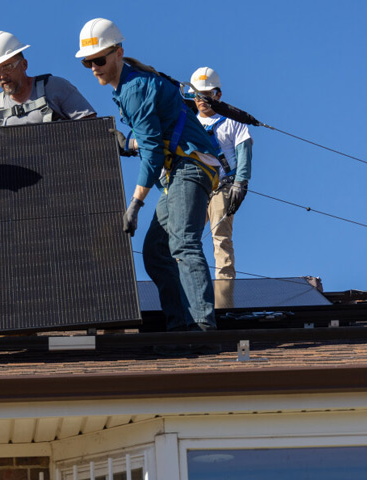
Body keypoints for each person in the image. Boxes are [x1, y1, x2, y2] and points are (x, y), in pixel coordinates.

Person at [75, 18, 221, 335]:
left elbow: (154, 152)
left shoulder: (134, 89)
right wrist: (127, 142)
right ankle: (180, 326)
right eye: (88, 62)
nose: (94, 67)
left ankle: (202, 328)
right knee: (156, 253)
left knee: (183, 244)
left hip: (190, 167)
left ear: (117, 53)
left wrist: (135, 204)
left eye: (99, 59)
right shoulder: (131, 88)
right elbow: (153, 134)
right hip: (181, 171)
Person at [190, 67, 253, 280]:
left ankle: (225, 290)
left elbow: (244, 152)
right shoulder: (188, 123)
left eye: (206, 95)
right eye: (197, 95)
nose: (201, 99)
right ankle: (188, 287)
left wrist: (241, 183)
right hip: (195, 186)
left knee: (221, 237)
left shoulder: (233, 122)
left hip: (224, 186)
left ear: (218, 95)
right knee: (186, 238)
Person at [0, 31, 96, 127]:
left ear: (24, 65)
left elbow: (92, 128)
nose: (2, 76)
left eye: (7, 67)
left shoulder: (55, 87)